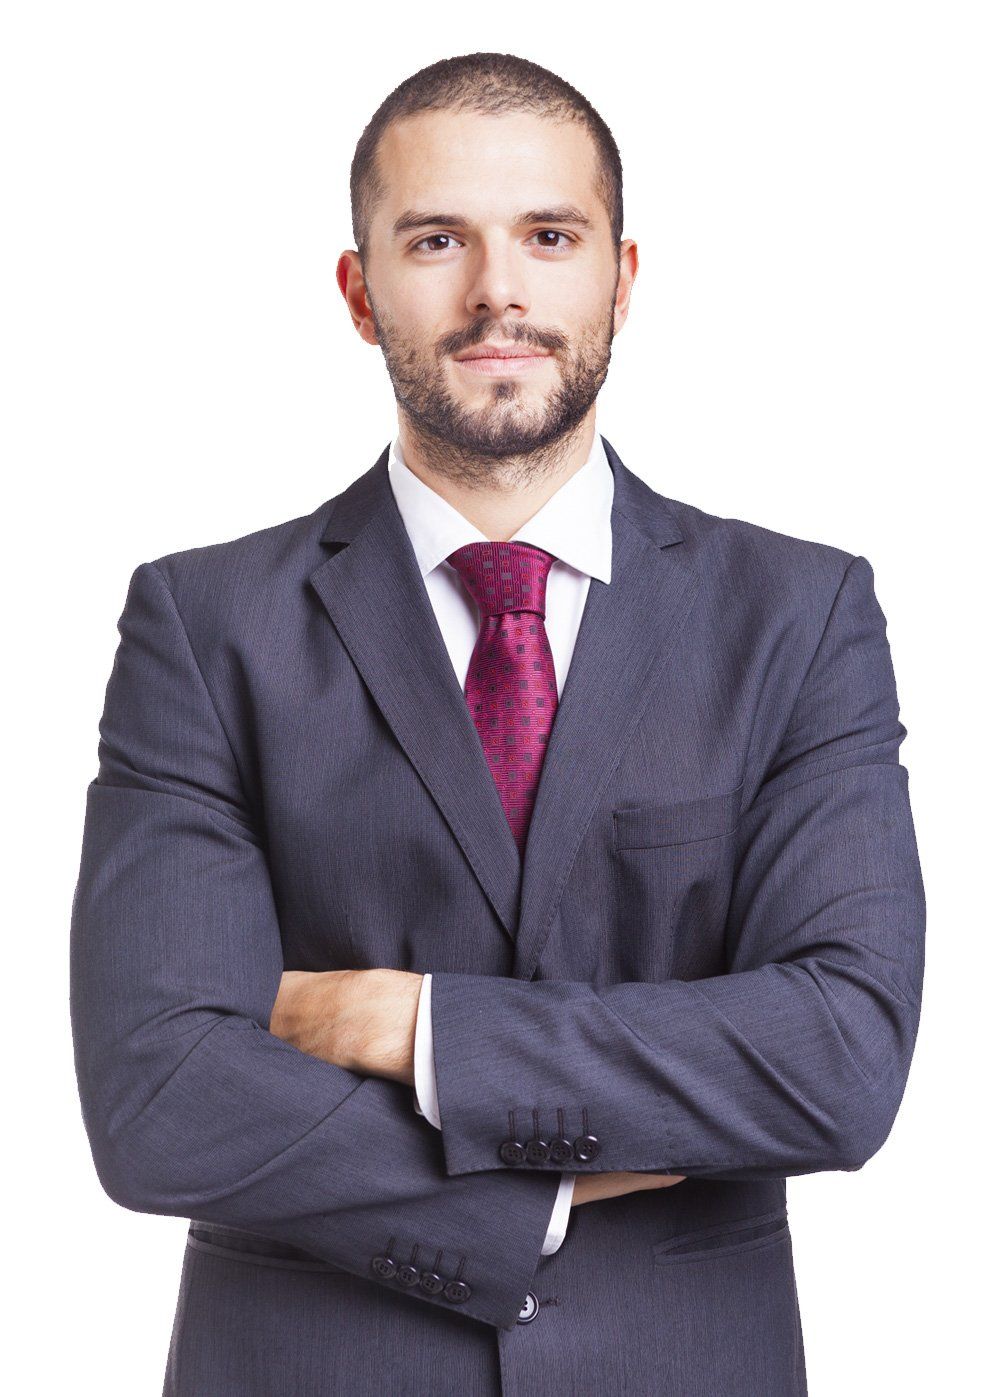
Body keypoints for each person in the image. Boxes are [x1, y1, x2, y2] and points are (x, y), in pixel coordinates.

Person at [69, 51, 925, 1397]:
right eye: (435, 240)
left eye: (548, 235)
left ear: (622, 279)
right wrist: (533, 1196)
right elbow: (158, 1095)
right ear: (359, 291)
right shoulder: (205, 625)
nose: (498, 293)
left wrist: (416, 1027)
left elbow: (839, 1058)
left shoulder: (799, 617)